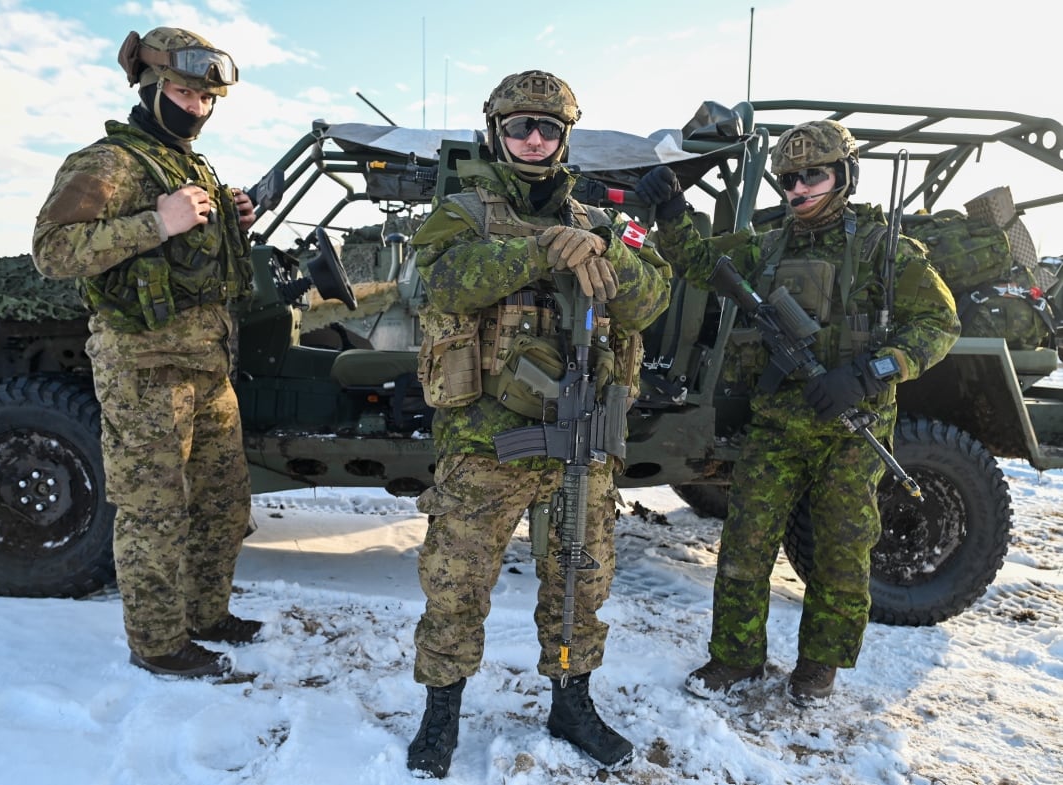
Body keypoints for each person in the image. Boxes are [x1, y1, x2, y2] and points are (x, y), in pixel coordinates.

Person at [405, 70, 672, 777]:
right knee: (456, 583)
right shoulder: (461, 212)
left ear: (563, 138)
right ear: (497, 132)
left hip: (579, 445)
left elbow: (652, 297)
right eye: (519, 126)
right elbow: (436, 281)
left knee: (579, 584)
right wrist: (539, 249)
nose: (532, 138)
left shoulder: (601, 223)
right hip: (486, 444)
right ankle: (441, 710)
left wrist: (607, 252)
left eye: (546, 128)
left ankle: (570, 696)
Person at [642, 119, 960, 706]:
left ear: (844, 175)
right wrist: (671, 211)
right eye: (789, 178)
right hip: (778, 424)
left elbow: (940, 326)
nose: (798, 188)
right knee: (745, 545)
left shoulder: (884, 250)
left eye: (813, 174)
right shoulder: (768, 244)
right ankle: (735, 657)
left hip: (851, 426)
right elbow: (695, 262)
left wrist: (871, 373)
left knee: (842, 550)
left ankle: (819, 665)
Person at [31, 27, 261, 679]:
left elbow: (192, 260)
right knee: (153, 509)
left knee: (223, 500)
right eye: (187, 92)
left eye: (207, 98)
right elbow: (52, 251)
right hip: (142, 369)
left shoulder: (193, 166)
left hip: (208, 369)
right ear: (151, 85)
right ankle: (159, 643)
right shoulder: (106, 163)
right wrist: (156, 222)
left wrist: (232, 222)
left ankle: (206, 613)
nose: (198, 108)